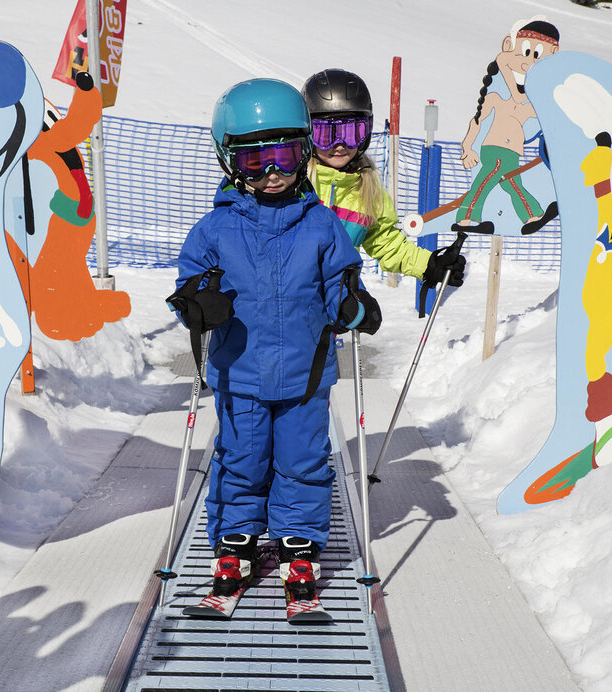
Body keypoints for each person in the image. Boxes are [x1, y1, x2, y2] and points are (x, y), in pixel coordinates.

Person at [168, 77, 380, 616]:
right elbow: (190, 283)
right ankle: (235, 549)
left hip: (305, 379)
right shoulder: (214, 229)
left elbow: (340, 286)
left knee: (304, 464)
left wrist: (354, 306)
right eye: (255, 159)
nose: (272, 172)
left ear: (305, 152)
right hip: (238, 376)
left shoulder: (323, 226)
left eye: (285, 155)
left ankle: (297, 549)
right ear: (228, 160)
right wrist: (197, 303)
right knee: (239, 462)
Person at [302, 68, 466, 291]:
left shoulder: (367, 190)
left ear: (366, 132)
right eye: (326, 135)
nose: (339, 145)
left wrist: (429, 265)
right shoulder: (295, 181)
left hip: (336, 305)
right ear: (308, 134)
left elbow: (387, 243)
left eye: (351, 133)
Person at [455, 18, 560, 235]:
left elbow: (549, 118)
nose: (527, 63)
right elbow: (477, 120)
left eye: (538, 56)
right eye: (525, 52)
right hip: (494, 149)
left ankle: (532, 215)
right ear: (508, 48)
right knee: (486, 179)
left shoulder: (527, 106)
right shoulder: (496, 98)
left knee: (512, 184)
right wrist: (468, 148)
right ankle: (467, 218)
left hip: (512, 153)